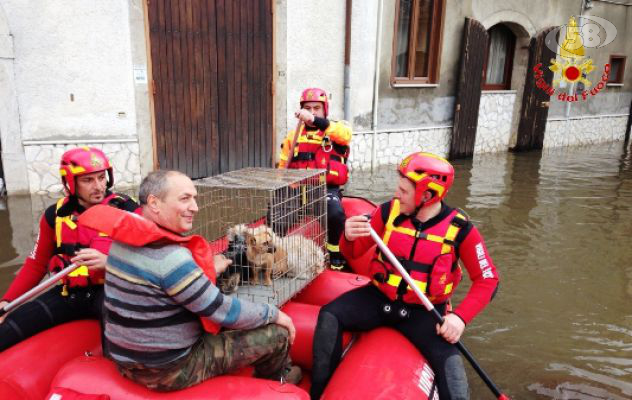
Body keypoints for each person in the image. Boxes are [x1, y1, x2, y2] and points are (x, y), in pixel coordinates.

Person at [310, 152, 500, 400]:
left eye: (404, 190)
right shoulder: (388, 212)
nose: (397, 194)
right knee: (329, 316)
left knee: (452, 372)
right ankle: (319, 393)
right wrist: (347, 236)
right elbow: (354, 252)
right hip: (378, 299)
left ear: (428, 195)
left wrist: (460, 319)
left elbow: (488, 280)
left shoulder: (461, 230)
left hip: (425, 311)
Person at [97, 170, 301, 391]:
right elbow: (221, 310)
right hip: (167, 370)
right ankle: (278, 383)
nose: (195, 207)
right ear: (154, 203)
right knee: (277, 333)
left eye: (194, 198)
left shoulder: (121, 242)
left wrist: (208, 268)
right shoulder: (170, 257)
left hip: (125, 359)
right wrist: (273, 312)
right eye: (185, 199)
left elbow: (168, 282)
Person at [0, 147, 140, 351]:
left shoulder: (127, 210)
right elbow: (36, 263)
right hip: (68, 293)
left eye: (101, 178)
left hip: (110, 292)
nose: (99, 186)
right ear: (70, 183)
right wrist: (7, 301)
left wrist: (110, 262)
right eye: (88, 180)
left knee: (118, 350)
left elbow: (152, 257)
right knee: (9, 328)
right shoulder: (54, 215)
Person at [278, 88, 352, 270]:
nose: (312, 112)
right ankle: (276, 252)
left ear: (324, 109)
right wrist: (283, 189)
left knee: (335, 213)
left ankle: (335, 252)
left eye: (317, 108)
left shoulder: (335, 130)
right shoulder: (292, 136)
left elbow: (346, 135)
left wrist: (314, 120)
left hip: (325, 188)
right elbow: (283, 166)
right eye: (308, 108)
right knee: (277, 211)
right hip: (298, 188)